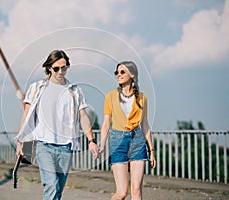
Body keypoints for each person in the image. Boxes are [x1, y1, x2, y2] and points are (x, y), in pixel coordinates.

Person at [15, 50, 99, 200]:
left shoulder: (74, 91)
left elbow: (83, 116)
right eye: (56, 68)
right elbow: (26, 115)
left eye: (64, 68)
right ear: (49, 68)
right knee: (51, 185)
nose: (61, 71)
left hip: (66, 146)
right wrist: (20, 141)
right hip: (44, 145)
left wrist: (91, 141)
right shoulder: (37, 88)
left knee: (58, 190)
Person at [98, 61, 156, 200]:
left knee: (136, 190)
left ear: (132, 75)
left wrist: (151, 151)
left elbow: (145, 124)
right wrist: (101, 145)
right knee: (122, 193)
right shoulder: (110, 96)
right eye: (117, 72)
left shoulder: (142, 98)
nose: (119, 75)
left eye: (122, 72)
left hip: (138, 141)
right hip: (118, 142)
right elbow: (106, 123)